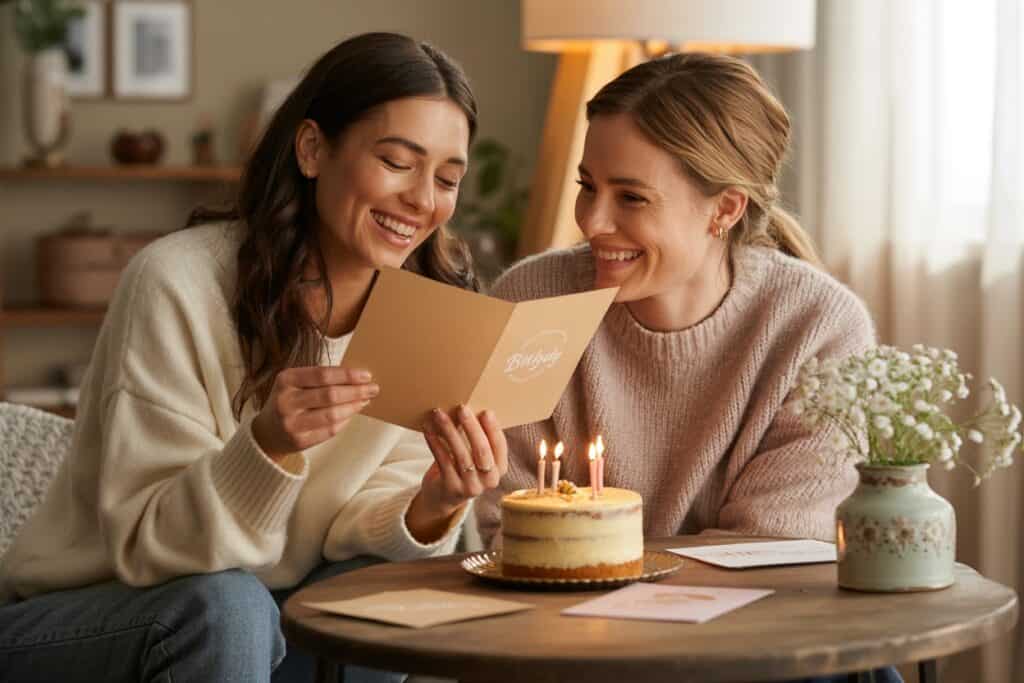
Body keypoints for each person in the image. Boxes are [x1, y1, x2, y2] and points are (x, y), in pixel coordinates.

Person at [0, 32, 507, 683]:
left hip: (258, 617)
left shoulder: (428, 310)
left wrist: (435, 499)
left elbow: (356, 526)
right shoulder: (176, 283)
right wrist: (265, 446)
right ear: (312, 149)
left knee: (385, 595)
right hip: (91, 616)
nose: (421, 199)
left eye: (446, 178)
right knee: (228, 605)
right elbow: (147, 543)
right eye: (397, 161)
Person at [475, 53, 901, 683]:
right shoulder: (532, 302)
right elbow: (503, 532)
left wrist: (603, 558)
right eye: (587, 186)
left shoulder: (817, 325)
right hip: (561, 642)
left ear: (723, 210)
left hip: (754, 643)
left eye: (631, 197)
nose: (593, 222)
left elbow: (778, 555)